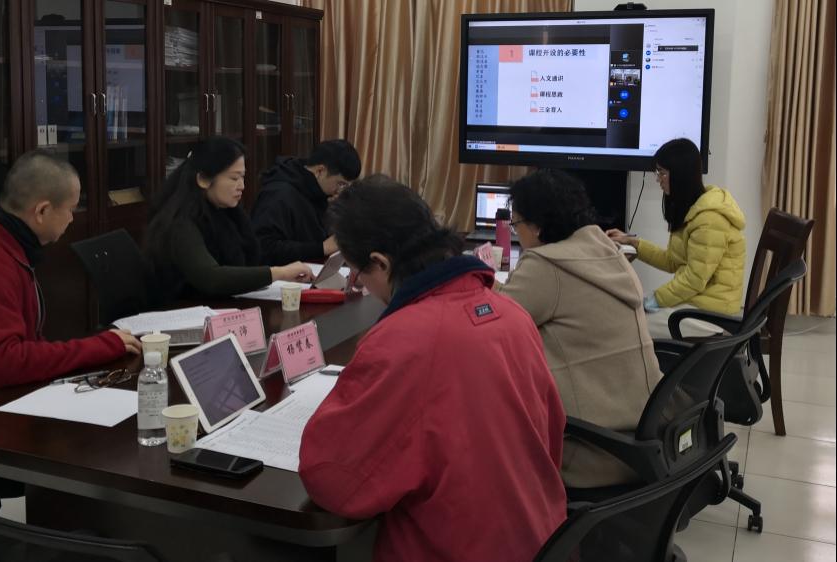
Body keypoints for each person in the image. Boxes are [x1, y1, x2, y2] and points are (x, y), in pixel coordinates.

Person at [299, 175, 566, 562]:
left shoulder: (404, 339)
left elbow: (332, 480)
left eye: (358, 273)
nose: (359, 283)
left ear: (381, 262)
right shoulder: (512, 314)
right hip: (540, 539)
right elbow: (551, 433)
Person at [0, 151, 141, 388]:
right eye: (71, 209)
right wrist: (96, 347)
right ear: (42, 211)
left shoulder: (4, 242)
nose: (72, 218)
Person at [498, 169, 662, 490]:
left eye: (516, 225)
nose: (516, 233)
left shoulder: (546, 266)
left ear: (537, 226)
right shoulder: (608, 251)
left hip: (587, 452)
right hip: (640, 441)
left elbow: (497, 323)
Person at [145, 136, 313, 302]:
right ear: (203, 180)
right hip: (184, 310)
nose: (242, 186)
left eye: (243, 177)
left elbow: (248, 262)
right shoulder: (180, 222)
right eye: (234, 178)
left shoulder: (227, 211)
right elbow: (211, 278)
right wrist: (278, 273)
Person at [607, 138, 746, 338]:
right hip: (696, 303)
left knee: (629, 326)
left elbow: (694, 280)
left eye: (662, 173)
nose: (658, 179)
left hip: (711, 314)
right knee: (628, 315)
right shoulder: (693, 209)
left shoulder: (709, 220)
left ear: (681, 175)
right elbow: (673, 261)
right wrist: (634, 243)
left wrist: (655, 299)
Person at [251, 139, 361, 265]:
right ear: (320, 171)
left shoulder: (317, 190)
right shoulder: (278, 195)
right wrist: (321, 248)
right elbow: (264, 248)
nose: (341, 190)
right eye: (341, 184)